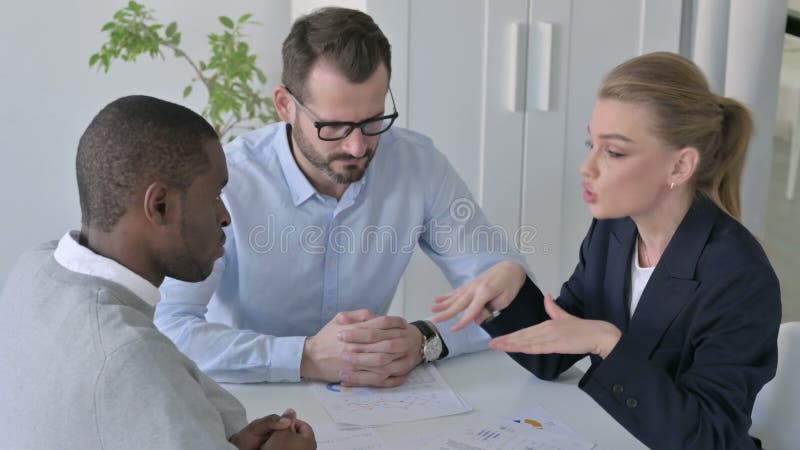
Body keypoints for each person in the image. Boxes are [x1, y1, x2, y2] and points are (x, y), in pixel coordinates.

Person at [154, 6, 527, 387]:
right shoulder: (229, 180)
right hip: (251, 400)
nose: (357, 146)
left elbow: (508, 292)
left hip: (375, 404)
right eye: (334, 126)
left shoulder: (419, 166)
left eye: (373, 121)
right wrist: (304, 357)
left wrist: (425, 340)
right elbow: (167, 327)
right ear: (286, 105)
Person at [432, 52, 781, 449]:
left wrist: (607, 344)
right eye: (591, 144)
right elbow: (556, 353)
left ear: (680, 167)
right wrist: (512, 291)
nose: (587, 166)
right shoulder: (614, 229)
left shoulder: (740, 276)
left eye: (613, 152)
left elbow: (709, 438)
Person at [0, 96, 315, 450]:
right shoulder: (127, 355)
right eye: (214, 195)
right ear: (160, 205)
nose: (225, 216)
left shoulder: (34, 268)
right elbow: (134, 377)